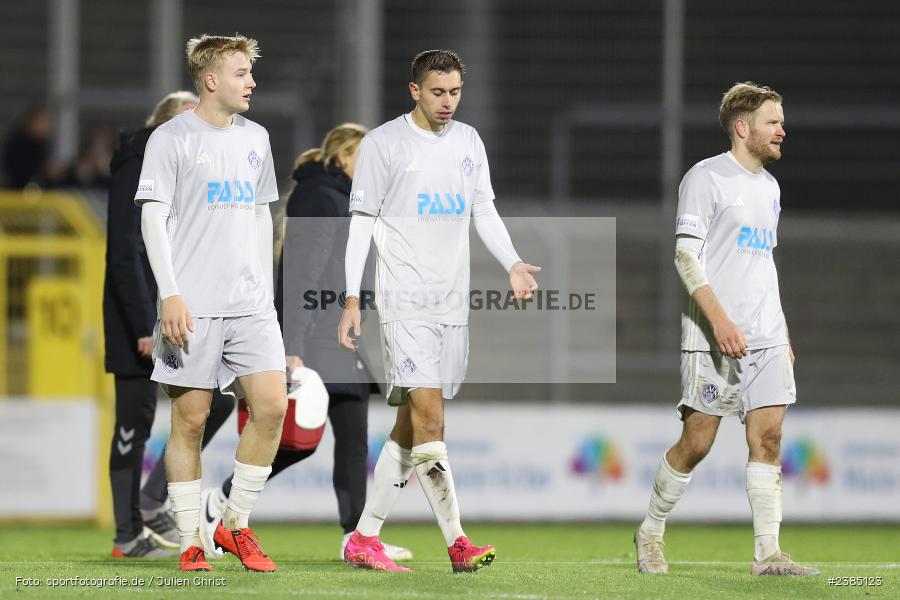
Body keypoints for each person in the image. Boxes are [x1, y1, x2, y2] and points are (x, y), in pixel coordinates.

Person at [337, 49, 541, 573]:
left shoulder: (469, 142)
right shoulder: (383, 143)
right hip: (405, 300)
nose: (447, 102)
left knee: (409, 425)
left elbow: (483, 209)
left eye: (454, 92)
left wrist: (513, 261)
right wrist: (352, 296)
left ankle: (364, 537)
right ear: (414, 91)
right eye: (437, 92)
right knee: (430, 418)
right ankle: (458, 543)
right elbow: (360, 222)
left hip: (452, 302)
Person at [199, 123, 412, 563]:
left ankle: (359, 537)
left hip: (340, 337)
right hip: (314, 338)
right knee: (300, 441)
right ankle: (221, 503)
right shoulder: (322, 196)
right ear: (344, 157)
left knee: (354, 438)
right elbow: (303, 274)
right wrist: (291, 345)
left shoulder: (349, 200)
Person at [633, 82, 818, 576]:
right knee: (697, 443)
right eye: (773, 122)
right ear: (743, 127)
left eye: (781, 122)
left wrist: (784, 333)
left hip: (767, 333)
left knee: (770, 438)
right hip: (713, 334)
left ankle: (768, 554)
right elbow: (686, 255)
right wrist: (718, 320)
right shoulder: (706, 177)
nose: (783, 130)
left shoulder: (771, 189)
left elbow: (760, 265)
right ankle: (650, 530)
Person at [135, 34, 287, 573]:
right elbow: (153, 218)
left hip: (251, 304)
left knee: (271, 407)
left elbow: (260, 215)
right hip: (191, 303)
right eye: (241, 73)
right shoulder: (172, 138)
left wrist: (266, 291)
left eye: (250, 72)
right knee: (191, 420)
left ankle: (235, 523)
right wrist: (170, 293)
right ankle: (189, 540)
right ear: (211, 79)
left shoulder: (257, 138)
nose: (251, 82)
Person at [103, 90, 236, 559]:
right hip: (138, 321)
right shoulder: (137, 162)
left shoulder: (180, 168)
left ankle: (153, 498)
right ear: (171, 121)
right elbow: (125, 253)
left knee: (216, 403)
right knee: (133, 423)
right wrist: (143, 322)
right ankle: (127, 536)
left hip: (178, 313)